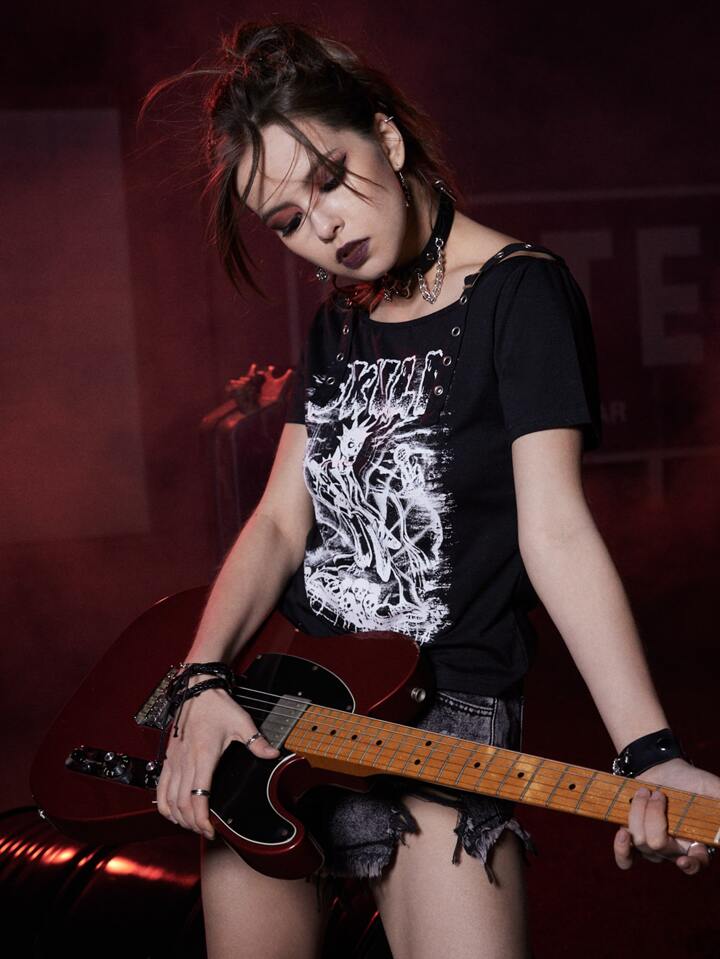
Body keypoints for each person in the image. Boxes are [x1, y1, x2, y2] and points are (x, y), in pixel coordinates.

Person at [144, 19, 719, 959]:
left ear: (388, 137)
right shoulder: (338, 324)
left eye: (330, 177)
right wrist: (202, 680)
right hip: (283, 703)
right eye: (288, 221)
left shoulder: (521, 293)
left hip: (442, 720)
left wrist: (650, 749)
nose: (324, 227)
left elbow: (556, 533)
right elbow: (281, 520)